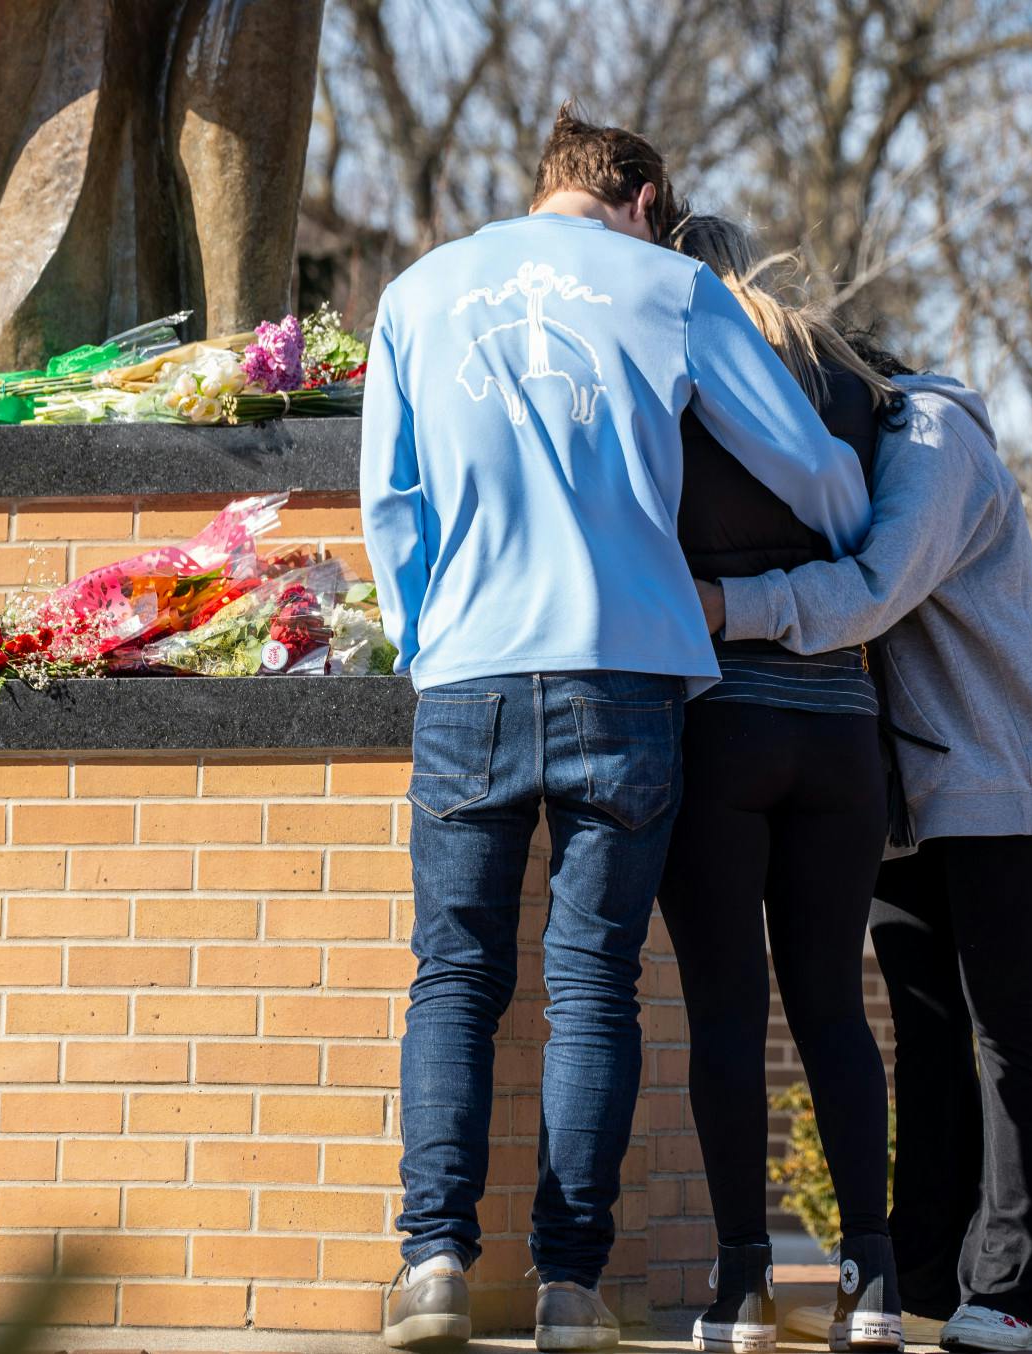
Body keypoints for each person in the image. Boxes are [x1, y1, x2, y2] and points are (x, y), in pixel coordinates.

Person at [360, 106, 872, 1354]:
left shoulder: (417, 293)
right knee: (592, 984)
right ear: (641, 196)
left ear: (545, 185)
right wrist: (856, 515)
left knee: (456, 976)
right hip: (624, 668)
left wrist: (424, 640)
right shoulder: (672, 288)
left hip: (471, 670)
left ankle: (431, 1260)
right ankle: (568, 1288)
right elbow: (801, 459)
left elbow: (390, 502)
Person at [708, 338, 1032, 1354]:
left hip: (998, 774)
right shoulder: (853, 445)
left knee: (1001, 1024)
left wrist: (722, 608)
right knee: (922, 1031)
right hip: (905, 792)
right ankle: (923, 1277)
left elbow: (876, 587)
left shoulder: (927, 434)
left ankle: (1017, 1287)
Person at [660, 215, 906, 1354]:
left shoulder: (673, 382)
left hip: (721, 719)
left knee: (724, 1009)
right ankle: (870, 1282)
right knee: (830, 1011)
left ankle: (743, 1286)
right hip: (841, 731)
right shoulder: (842, 380)